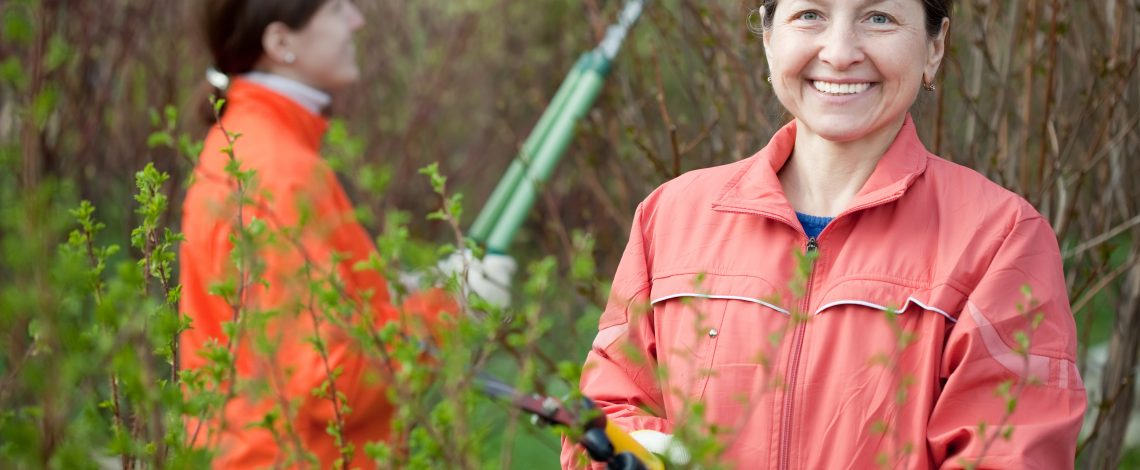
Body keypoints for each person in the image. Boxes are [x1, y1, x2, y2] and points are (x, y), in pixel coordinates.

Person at [562, 0, 1086, 468]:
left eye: (878, 18)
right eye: (810, 14)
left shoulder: (1000, 239)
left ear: (934, 47)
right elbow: (606, 417)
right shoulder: (672, 216)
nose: (839, 53)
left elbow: (1009, 455)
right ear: (769, 37)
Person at [180, 0, 513, 467]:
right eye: (337, 8)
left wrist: (406, 293)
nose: (357, 20)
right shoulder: (280, 174)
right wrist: (450, 309)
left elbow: (301, 330)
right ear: (280, 42)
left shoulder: (249, 145)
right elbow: (333, 383)